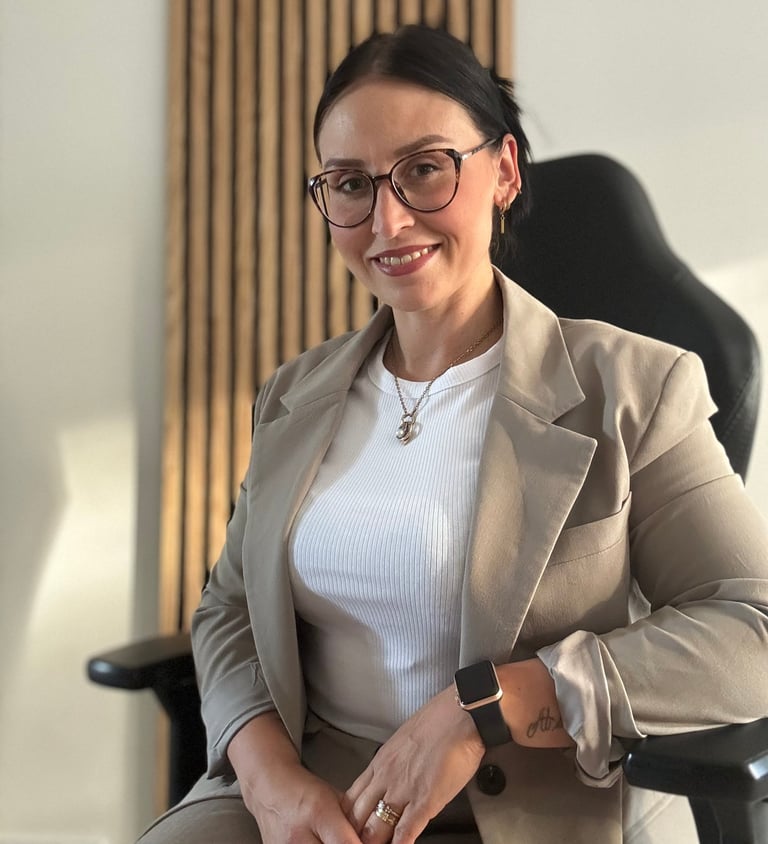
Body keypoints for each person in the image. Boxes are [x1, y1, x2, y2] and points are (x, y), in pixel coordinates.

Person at [138, 24, 768, 844]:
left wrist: (489, 707)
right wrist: (268, 783)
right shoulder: (292, 397)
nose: (388, 219)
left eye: (425, 169)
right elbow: (227, 609)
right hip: (312, 800)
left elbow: (752, 627)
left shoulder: (636, 388)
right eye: (351, 184)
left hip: (537, 806)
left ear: (503, 171)